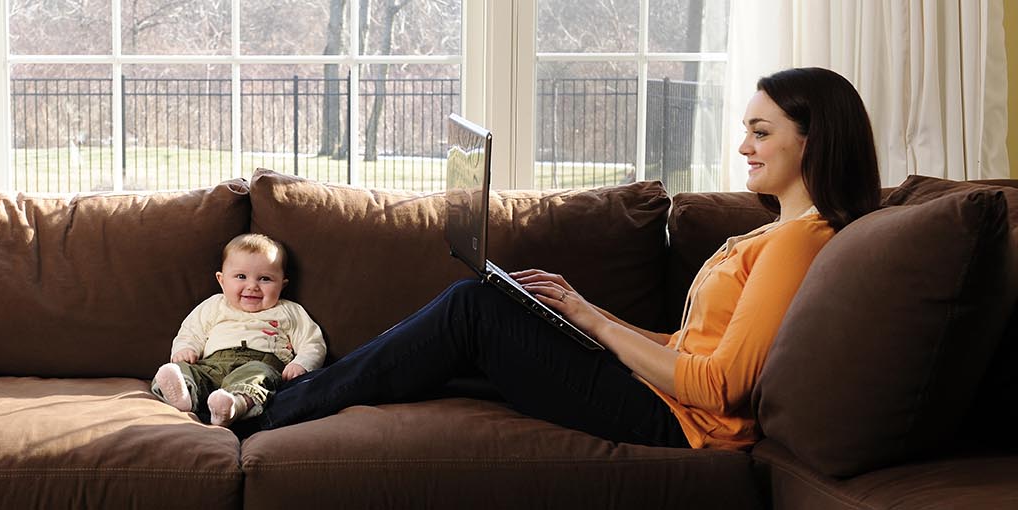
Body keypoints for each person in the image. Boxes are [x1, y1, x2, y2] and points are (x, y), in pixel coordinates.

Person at [259, 67, 881, 450]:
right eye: (746, 128)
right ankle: (298, 396)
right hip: (659, 395)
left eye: (762, 131)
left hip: (682, 426)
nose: (743, 145)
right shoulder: (777, 231)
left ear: (813, 139)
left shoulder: (801, 240)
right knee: (469, 334)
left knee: (471, 308)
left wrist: (597, 326)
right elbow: (691, 348)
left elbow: (718, 388)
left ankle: (268, 411)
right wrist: (581, 309)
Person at [151, 233, 327, 427]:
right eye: (241, 276)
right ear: (222, 280)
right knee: (182, 370)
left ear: (282, 284)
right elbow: (190, 332)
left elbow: (312, 342)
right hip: (211, 366)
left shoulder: (288, 311)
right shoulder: (214, 305)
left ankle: (234, 405)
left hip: (259, 363)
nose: (252, 286)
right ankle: (185, 396)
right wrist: (184, 349)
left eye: (265, 279)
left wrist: (301, 363)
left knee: (257, 377)